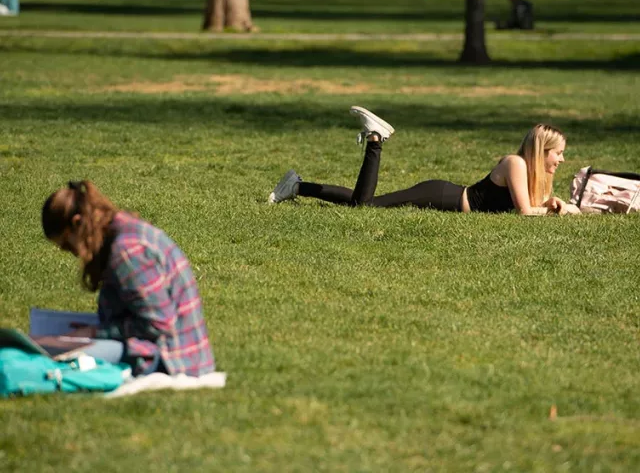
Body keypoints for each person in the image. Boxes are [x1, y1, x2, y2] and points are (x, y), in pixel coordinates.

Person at [269, 106, 579, 216]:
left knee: (363, 203)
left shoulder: (529, 171)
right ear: (542, 151)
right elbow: (525, 212)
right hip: (441, 195)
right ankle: (375, 140)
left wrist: (559, 206)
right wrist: (561, 212)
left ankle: (297, 186)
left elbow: (533, 207)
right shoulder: (516, 163)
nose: (562, 159)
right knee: (365, 207)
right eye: (558, 153)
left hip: (445, 195)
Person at [41, 181, 215, 376]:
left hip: (172, 359)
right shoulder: (118, 229)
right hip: (166, 349)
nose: (71, 253)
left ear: (77, 222)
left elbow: (158, 324)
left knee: (55, 358)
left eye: (67, 245)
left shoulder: (127, 252)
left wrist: (94, 333)